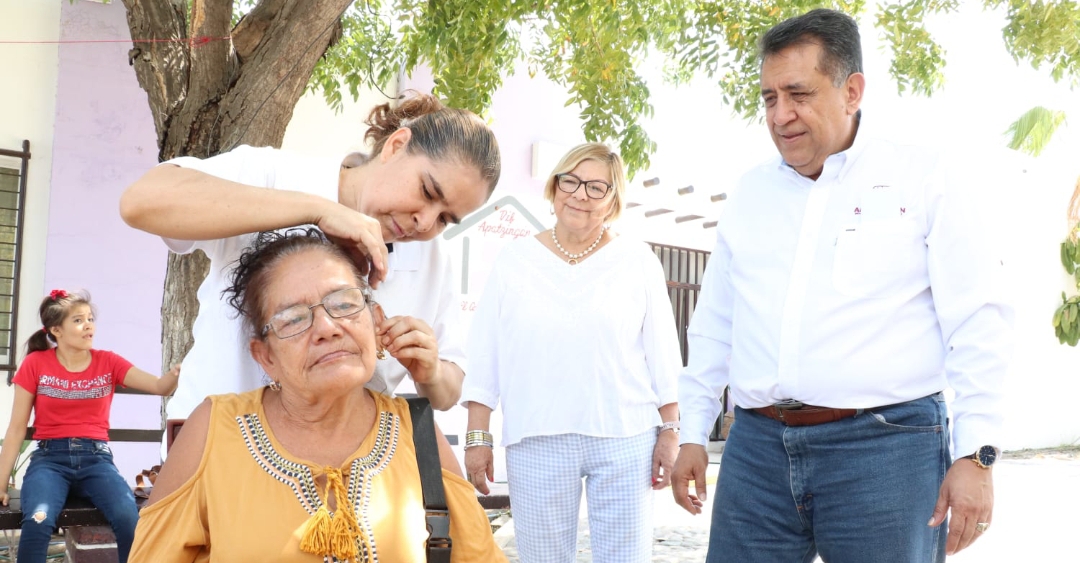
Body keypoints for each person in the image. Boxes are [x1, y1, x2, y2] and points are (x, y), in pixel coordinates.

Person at [670, 8, 1013, 562]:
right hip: (756, 452)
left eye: (798, 94)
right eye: (769, 97)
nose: (780, 115)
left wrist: (976, 454)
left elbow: (979, 320)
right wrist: (692, 429)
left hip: (886, 450)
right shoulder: (751, 194)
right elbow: (715, 325)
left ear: (852, 91)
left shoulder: (924, 177)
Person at [119, 93, 501, 441]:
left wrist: (431, 371)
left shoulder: (433, 258)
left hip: (344, 467)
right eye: (427, 192)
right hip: (217, 444)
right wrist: (317, 210)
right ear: (396, 145)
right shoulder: (273, 175)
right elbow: (141, 202)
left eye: (445, 219)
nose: (425, 221)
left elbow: (449, 389)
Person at [128, 228, 507, 562]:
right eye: (293, 318)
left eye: (344, 304)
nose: (327, 327)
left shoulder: (417, 431)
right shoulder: (213, 429)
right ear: (266, 356)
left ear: (376, 322)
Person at [461, 143, 681, 563]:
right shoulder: (515, 260)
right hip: (536, 437)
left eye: (597, 187)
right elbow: (486, 353)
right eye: (571, 181)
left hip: (625, 436)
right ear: (554, 186)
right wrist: (477, 437)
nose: (580, 194)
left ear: (613, 199)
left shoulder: (637, 260)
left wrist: (670, 432)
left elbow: (663, 353)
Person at [0, 290, 180, 563]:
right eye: (78, 320)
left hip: (96, 460)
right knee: (38, 519)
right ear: (56, 330)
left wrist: (177, 373)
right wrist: (1, 484)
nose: (88, 326)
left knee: (127, 516)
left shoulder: (108, 361)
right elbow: (16, 429)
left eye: (90, 319)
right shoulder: (35, 364)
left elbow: (159, 386)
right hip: (49, 461)